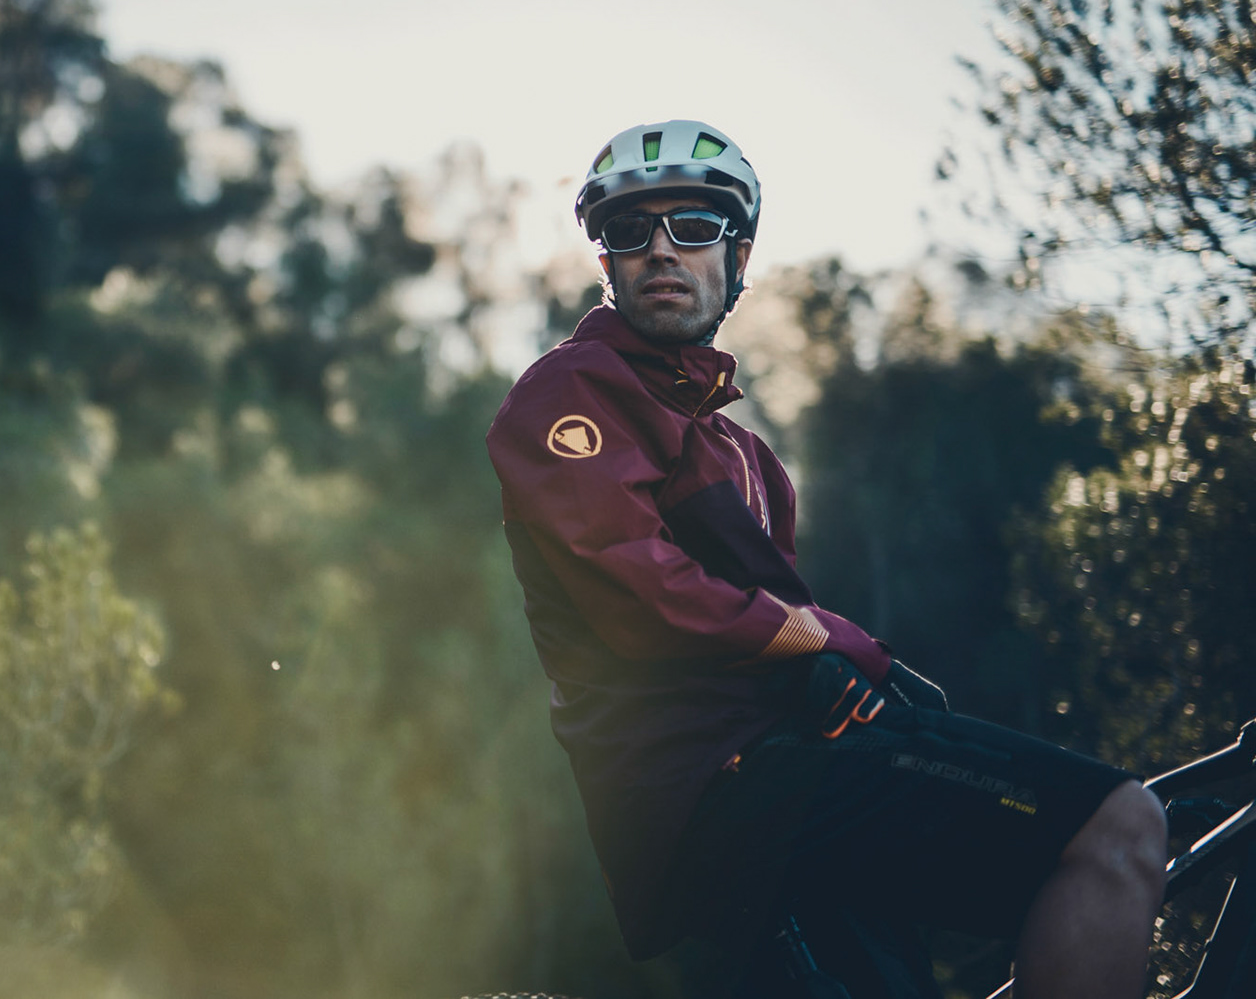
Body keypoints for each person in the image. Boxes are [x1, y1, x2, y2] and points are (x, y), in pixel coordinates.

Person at [484, 120, 1168, 999]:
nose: (660, 248)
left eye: (693, 225)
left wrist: (834, 674)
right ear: (606, 261)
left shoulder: (748, 457)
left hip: (787, 784)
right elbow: (637, 590)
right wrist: (835, 644)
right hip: (717, 787)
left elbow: (763, 633)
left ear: (738, 257)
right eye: (629, 229)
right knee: (1118, 826)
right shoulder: (571, 390)